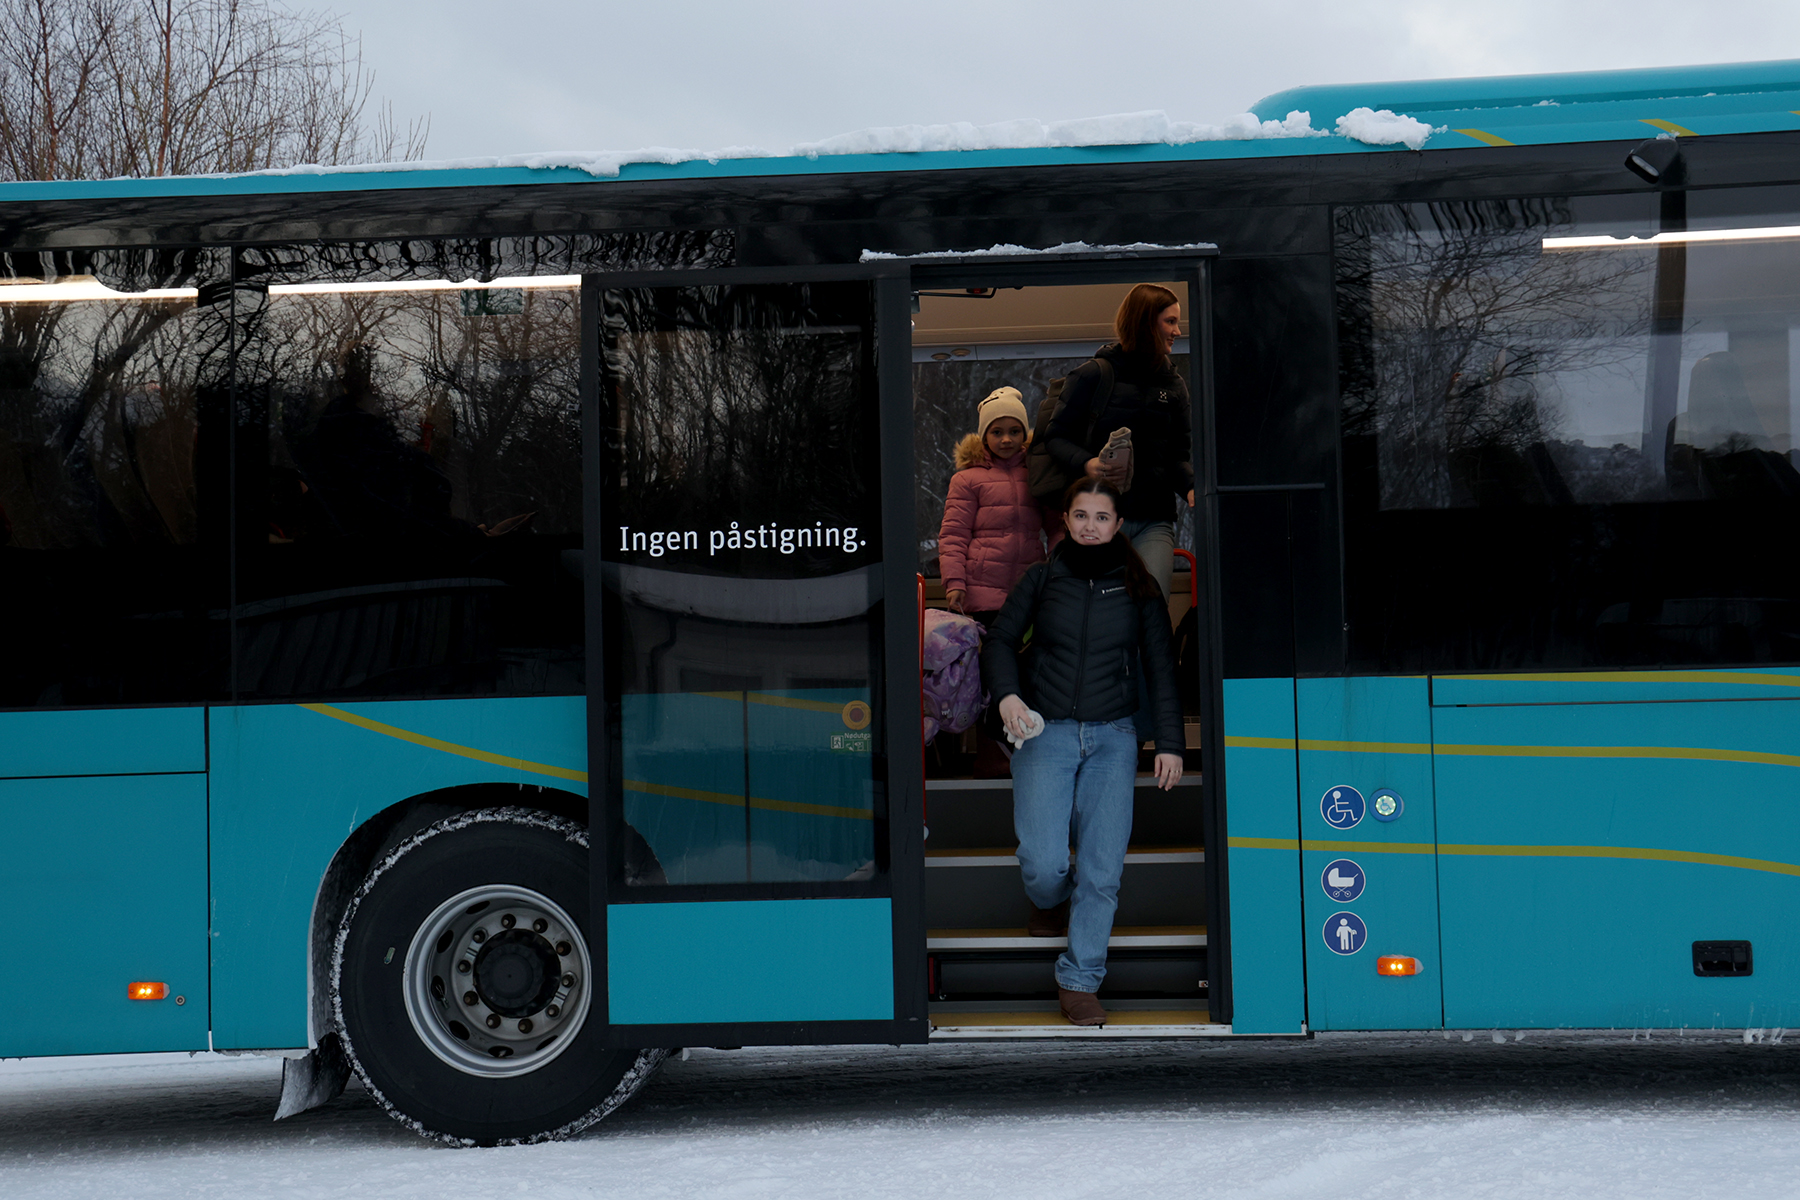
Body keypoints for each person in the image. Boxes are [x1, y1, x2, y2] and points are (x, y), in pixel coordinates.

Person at [980, 478, 1184, 1026]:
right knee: (1043, 863)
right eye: (1081, 515)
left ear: (1118, 526)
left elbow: (1163, 669)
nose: (1090, 526)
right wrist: (1007, 695)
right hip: (1045, 731)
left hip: (1114, 737)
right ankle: (1050, 902)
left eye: (1101, 517)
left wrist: (1169, 743)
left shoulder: (1140, 589)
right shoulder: (1042, 579)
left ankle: (1080, 978)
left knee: (1101, 869)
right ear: (1065, 522)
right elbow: (999, 640)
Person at [1042, 284, 1195, 599]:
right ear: (1145, 322)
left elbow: (1177, 457)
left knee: (1152, 605)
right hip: (1101, 515)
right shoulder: (1093, 376)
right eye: (1170, 321)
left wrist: (1194, 488)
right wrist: (1088, 464)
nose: (1177, 331)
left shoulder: (1175, 386)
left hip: (1155, 518)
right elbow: (1054, 438)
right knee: (1102, 610)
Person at [939, 386, 1059, 624]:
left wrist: (1059, 572)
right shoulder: (967, 479)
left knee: (1028, 656)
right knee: (995, 655)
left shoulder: (1036, 473)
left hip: (1030, 585)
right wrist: (954, 582)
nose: (1006, 439)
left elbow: (1057, 528)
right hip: (984, 590)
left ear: (1024, 434)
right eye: (997, 432)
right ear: (984, 436)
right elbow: (954, 536)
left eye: (1014, 431)